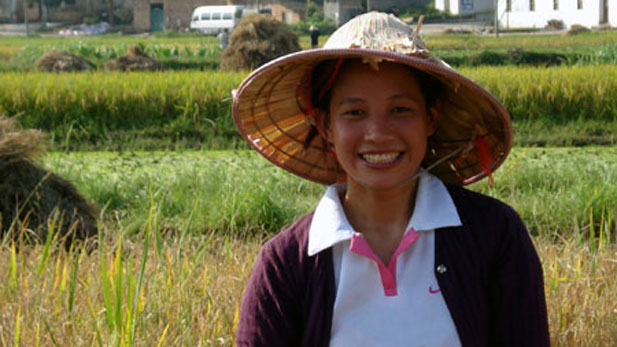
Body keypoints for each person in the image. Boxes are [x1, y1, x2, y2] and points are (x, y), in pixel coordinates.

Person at [232, 12, 549, 347]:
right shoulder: (285, 265)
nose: (378, 134)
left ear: (431, 117)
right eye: (355, 113)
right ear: (326, 127)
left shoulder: (494, 237)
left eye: (401, 110)